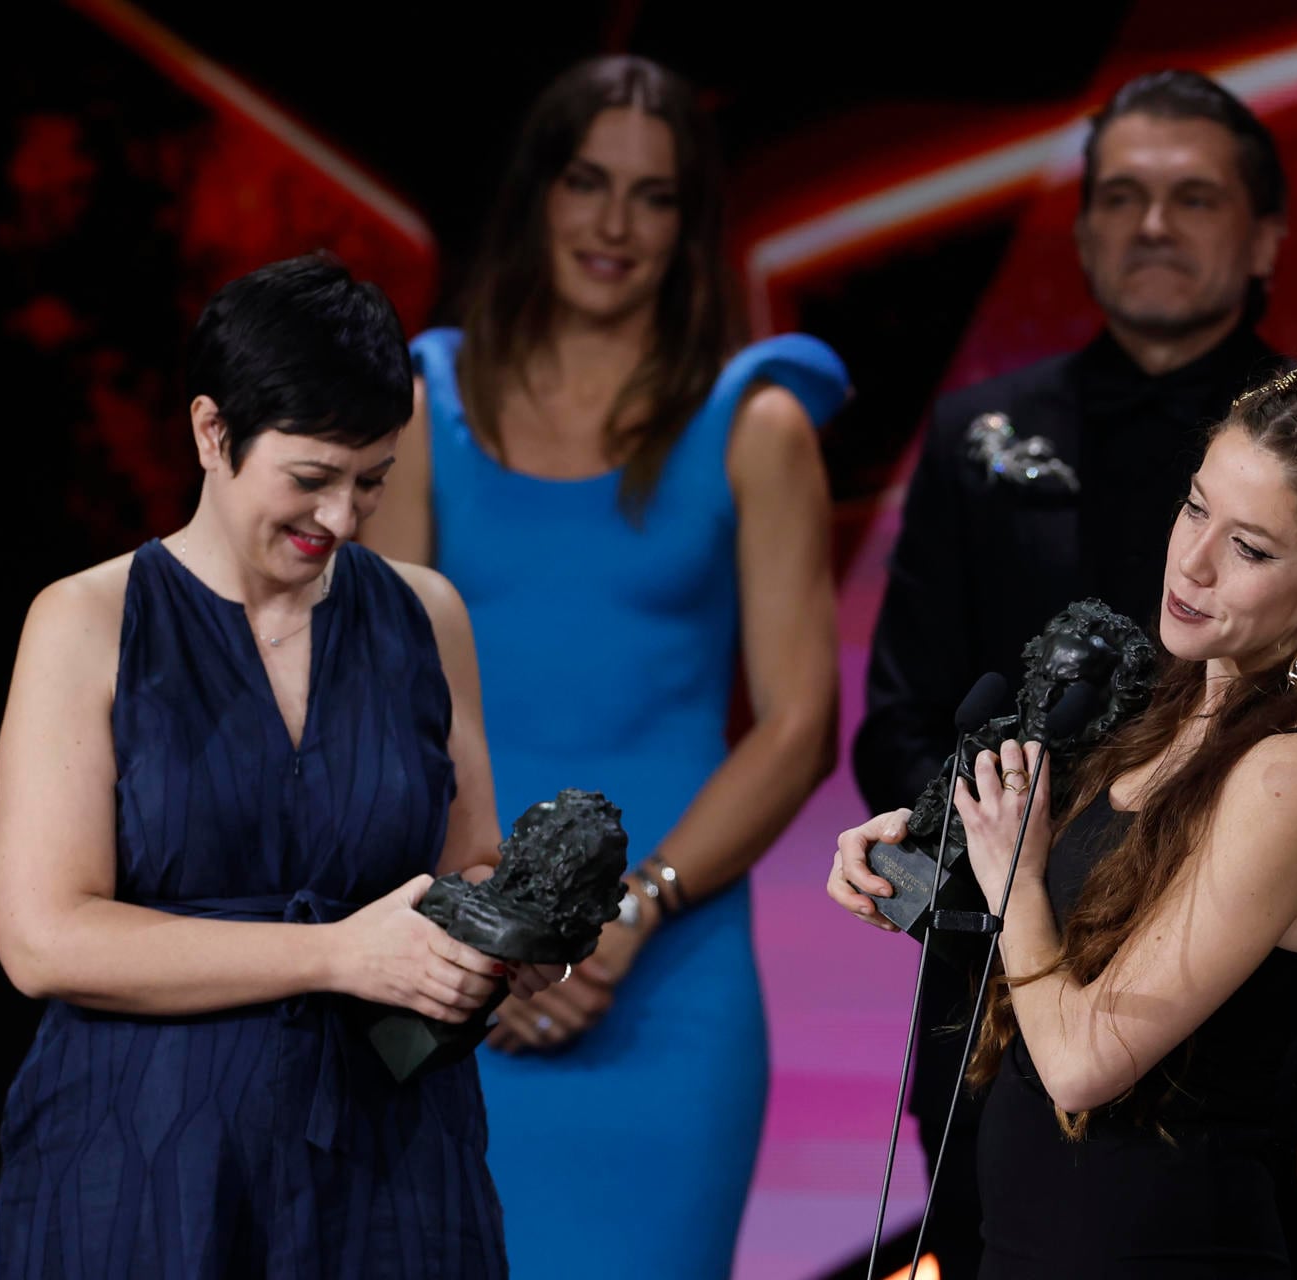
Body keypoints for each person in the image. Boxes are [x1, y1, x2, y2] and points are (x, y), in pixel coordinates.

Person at [832, 339, 1297, 1277]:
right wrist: (921, 881)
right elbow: (1063, 964)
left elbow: (1086, 1061)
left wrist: (1018, 876)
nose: (1193, 563)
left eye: (1248, 547)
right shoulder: (1180, 696)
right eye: (1196, 506)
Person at [360, 56, 848, 1277]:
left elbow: (799, 725)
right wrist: (492, 936)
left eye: (655, 195)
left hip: (667, 993)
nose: (615, 224)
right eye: (589, 182)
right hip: (450, 964)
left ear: (690, 225)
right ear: (538, 194)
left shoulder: (756, 425)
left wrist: (620, 919)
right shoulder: (424, 401)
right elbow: (382, 697)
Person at [0, 255, 545, 1277]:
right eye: (311, 477)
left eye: (370, 479)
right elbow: (43, 936)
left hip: (395, 1163)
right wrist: (334, 953)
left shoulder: (426, 615)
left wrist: (511, 933)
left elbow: (471, 861)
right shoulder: (86, 621)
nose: (339, 518)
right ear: (213, 431)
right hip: (141, 1163)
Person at [851, 69, 1292, 1275]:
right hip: (985, 986)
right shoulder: (980, 432)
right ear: (1085, 227)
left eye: (1191, 198)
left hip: (1207, 1029)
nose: (1151, 224)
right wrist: (947, 823)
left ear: (1264, 236)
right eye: (1122, 196)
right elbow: (901, 710)